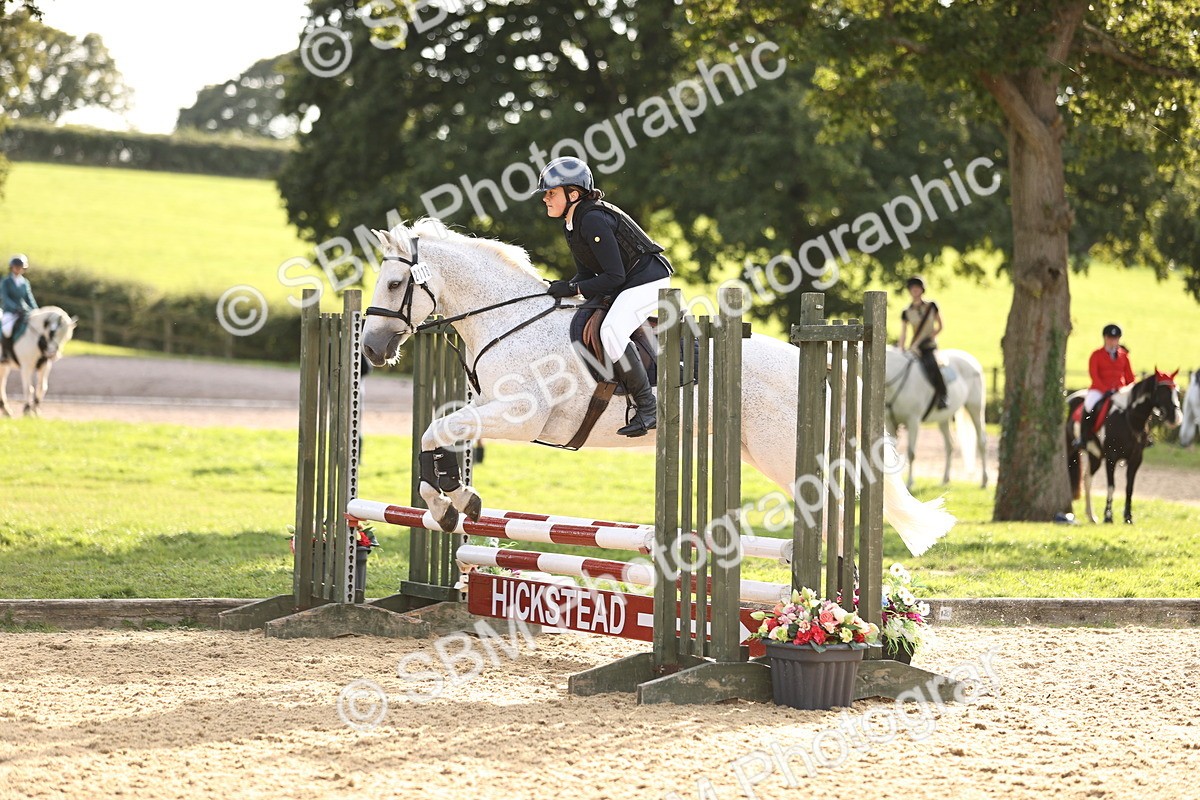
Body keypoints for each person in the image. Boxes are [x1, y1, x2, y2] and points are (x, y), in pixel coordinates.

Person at [535, 156, 672, 436]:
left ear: (573, 194)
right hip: (627, 282)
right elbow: (587, 275)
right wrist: (563, 287)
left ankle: (648, 408)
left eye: (551, 193)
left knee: (611, 331)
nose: (545, 199)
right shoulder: (572, 224)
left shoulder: (593, 219)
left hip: (648, 280)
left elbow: (614, 277)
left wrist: (574, 289)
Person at [1073, 323, 1135, 449]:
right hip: (1099, 390)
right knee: (1089, 405)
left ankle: (1140, 436)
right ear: (1105, 338)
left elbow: (1130, 377)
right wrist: (1105, 390)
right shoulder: (1096, 355)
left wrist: (1131, 391)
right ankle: (1083, 437)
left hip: (1119, 391)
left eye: (1116, 338)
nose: (1113, 341)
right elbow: (1094, 375)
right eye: (1110, 338)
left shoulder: (1124, 356)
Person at [897, 275, 947, 410]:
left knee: (933, 366)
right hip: (915, 348)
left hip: (929, 346)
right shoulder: (906, 312)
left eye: (917, 288)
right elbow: (904, 333)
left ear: (922, 290)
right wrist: (900, 349)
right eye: (912, 288)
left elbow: (940, 326)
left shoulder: (931, 307)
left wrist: (932, 336)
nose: (915, 291)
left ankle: (942, 396)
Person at [1, 254, 38, 363]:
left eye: (20, 267)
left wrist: (36, 310)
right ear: (11, 267)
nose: (17, 269)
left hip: (23, 311)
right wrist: (15, 308)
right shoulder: (6, 281)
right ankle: (5, 354)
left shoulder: (25, 283)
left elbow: (29, 298)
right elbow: (5, 297)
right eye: (15, 267)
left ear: (23, 268)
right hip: (10, 311)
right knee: (7, 330)